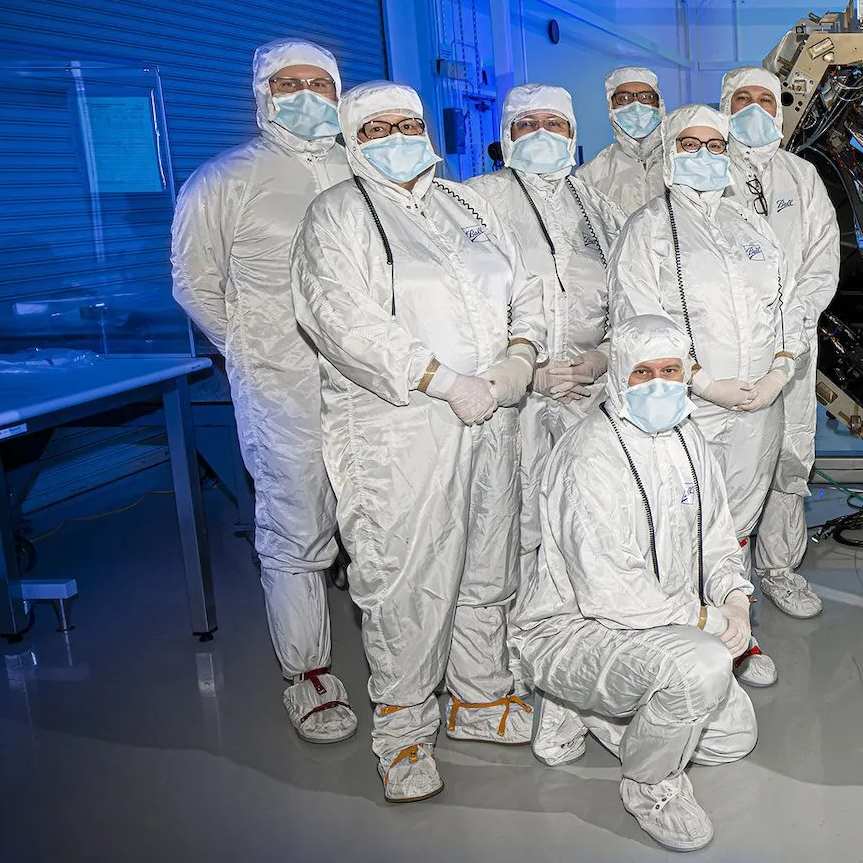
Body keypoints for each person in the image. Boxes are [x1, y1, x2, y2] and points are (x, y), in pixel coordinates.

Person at [293, 81, 545, 802]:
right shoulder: (337, 214)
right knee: (406, 579)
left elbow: (523, 288)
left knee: (487, 562)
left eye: (407, 123)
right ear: (352, 139)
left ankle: (480, 698)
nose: (397, 137)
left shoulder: (465, 205)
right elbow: (342, 320)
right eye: (377, 129)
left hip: (492, 412)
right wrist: (439, 378)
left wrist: (520, 357)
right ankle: (403, 732)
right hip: (401, 429)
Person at [513, 314, 756, 852]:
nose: (659, 385)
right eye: (643, 373)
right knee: (700, 670)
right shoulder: (589, 454)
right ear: (619, 373)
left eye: (671, 371)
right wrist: (706, 620)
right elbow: (611, 589)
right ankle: (650, 785)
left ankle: (586, 708)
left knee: (735, 738)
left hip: (660, 623)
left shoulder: (689, 439)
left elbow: (718, 539)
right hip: (579, 628)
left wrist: (736, 601)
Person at [169, 39, 354, 743]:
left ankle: (406, 659)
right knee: (296, 524)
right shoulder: (224, 181)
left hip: (375, 387)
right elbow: (195, 283)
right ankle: (309, 675)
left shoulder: (364, 167)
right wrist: (255, 351)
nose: (306, 96)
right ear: (262, 95)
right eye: (288, 84)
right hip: (285, 390)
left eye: (320, 84)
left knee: (386, 521)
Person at [613, 104, 802, 690]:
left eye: (715, 145)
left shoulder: (750, 225)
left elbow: (787, 305)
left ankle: (736, 633)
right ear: (670, 154)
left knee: (738, 519)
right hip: (687, 407)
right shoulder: (647, 228)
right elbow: (635, 321)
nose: (704, 156)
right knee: (684, 521)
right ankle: (685, 638)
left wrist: (780, 370)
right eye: (690, 145)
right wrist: (700, 381)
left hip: (759, 403)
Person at [465, 83, 626, 607]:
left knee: (588, 512)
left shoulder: (598, 208)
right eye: (527, 124)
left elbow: (630, 297)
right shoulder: (472, 202)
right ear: (507, 135)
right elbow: (464, 305)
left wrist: (603, 357)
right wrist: (525, 370)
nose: (541, 134)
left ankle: (575, 624)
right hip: (512, 398)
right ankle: (516, 631)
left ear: (573, 133)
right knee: (511, 519)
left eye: (554, 124)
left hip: (588, 393)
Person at [720, 66, 839, 620]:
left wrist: (793, 323)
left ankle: (780, 569)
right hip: (728, 346)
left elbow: (823, 257)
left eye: (764, 100)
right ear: (724, 106)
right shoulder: (708, 174)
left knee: (790, 456)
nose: (753, 109)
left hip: (793, 345)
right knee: (730, 463)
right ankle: (726, 581)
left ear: (780, 109)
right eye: (741, 99)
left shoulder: (801, 177)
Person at [577, 65, 667, 219]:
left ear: (659, 103)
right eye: (624, 98)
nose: (636, 106)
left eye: (646, 97)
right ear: (611, 106)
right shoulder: (590, 174)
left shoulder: (682, 161)